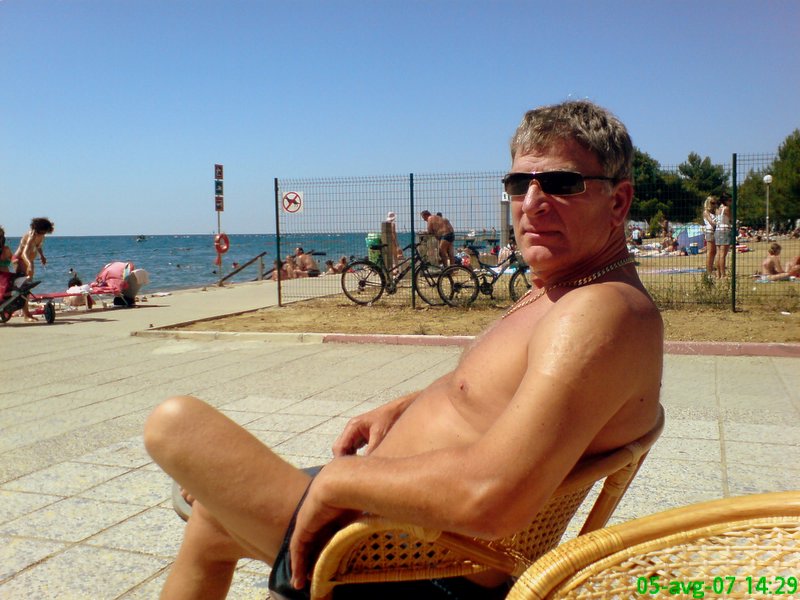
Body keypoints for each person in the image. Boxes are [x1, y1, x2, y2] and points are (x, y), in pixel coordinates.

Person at [143, 100, 663, 600]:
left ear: (618, 202)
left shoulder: (600, 312)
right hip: (410, 530)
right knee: (210, 523)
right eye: (517, 184)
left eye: (561, 183)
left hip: (425, 563)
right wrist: (407, 406)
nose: (530, 204)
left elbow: (492, 496)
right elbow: (507, 393)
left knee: (175, 423)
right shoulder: (568, 290)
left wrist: (342, 479)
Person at [13, 217, 55, 321]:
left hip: (29, 261)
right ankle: (26, 315)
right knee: (23, 288)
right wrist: (29, 264)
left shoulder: (41, 235)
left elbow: (38, 246)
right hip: (20, 260)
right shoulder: (31, 236)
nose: (43, 234)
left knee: (28, 287)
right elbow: (24, 253)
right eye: (42, 232)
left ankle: (27, 314)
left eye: (45, 232)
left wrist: (42, 256)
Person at [714, 195, 732, 277]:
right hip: (725, 230)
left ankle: (718, 274)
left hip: (717, 230)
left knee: (718, 253)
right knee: (723, 255)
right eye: (730, 200)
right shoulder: (726, 208)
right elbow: (731, 218)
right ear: (726, 201)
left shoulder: (717, 209)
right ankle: (723, 274)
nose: (731, 202)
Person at [702, 196, 717, 275]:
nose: (714, 205)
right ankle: (708, 270)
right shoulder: (706, 212)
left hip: (716, 232)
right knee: (710, 251)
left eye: (715, 203)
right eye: (712, 203)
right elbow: (711, 222)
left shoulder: (715, 212)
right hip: (710, 232)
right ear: (708, 203)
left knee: (714, 252)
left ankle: (711, 268)